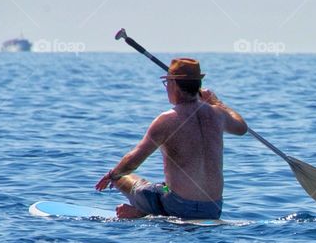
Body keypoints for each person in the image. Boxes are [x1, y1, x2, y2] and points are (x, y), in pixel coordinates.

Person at [95, 58, 247, 219]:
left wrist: (112, 175)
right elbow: (241, 128)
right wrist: (216, 101)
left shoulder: (167, 120)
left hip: (177, 205)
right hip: (213, 208)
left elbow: (133, 161)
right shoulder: (218, 114)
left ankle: (142, 213)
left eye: (167, 83)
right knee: (163, 187)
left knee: (125, 178)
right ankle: (145, 211)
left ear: (174, 84)